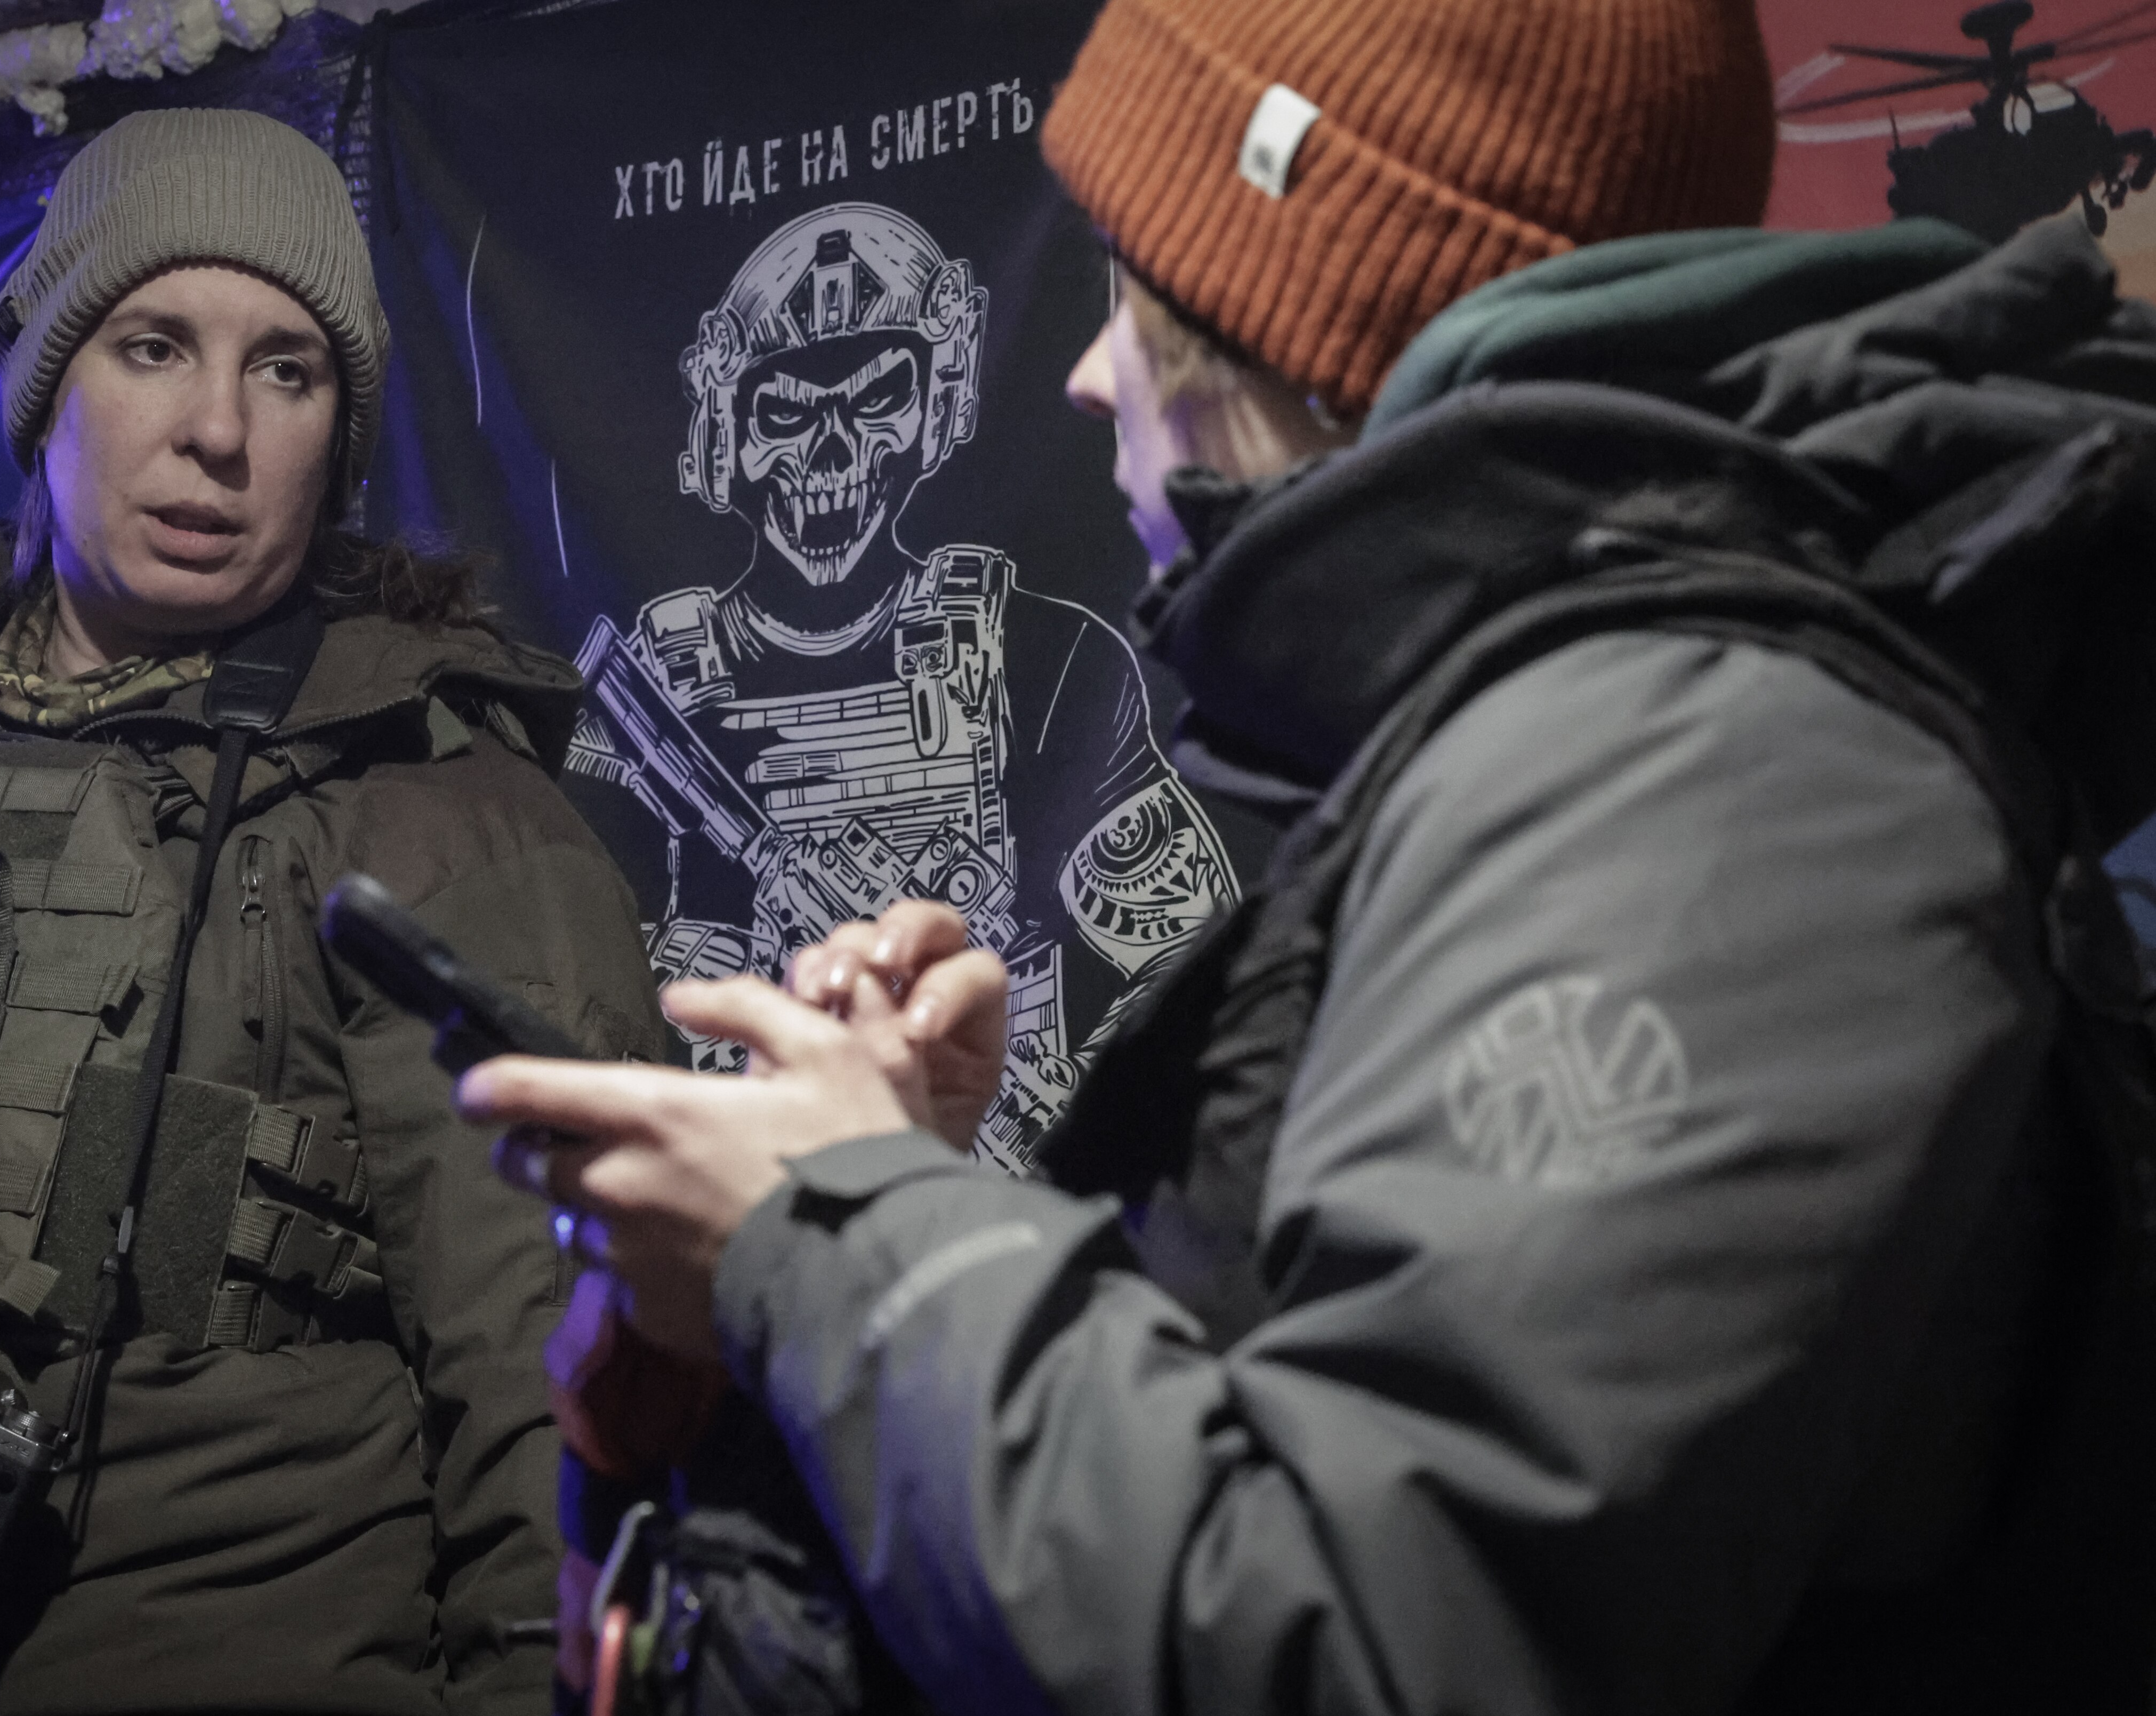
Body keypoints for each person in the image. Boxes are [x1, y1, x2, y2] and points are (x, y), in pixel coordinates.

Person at [462, 0, 2156, 1710]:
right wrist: (906, 1196)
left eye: (1131, 286)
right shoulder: (1545, 733)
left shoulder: (1722, 769)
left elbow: (1373, 1635)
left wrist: (834, 1229)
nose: (1084, 368)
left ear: (1299, 297)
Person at [0, 108, 662, 1714]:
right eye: (153, 344)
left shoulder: (443, 817)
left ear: (338, 432)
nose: (217, 430)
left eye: (287, 371)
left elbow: (558, 1391)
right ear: (43, 385)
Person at [567, 201, 1235, 1173]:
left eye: (877, 397)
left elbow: (1194, 966)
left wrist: (1055, 1145)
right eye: (787, 413)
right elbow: (578, 1030)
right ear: (728, 430)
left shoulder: (1040, 661)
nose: (832, 455)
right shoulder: (651, 704)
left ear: (940, 403)